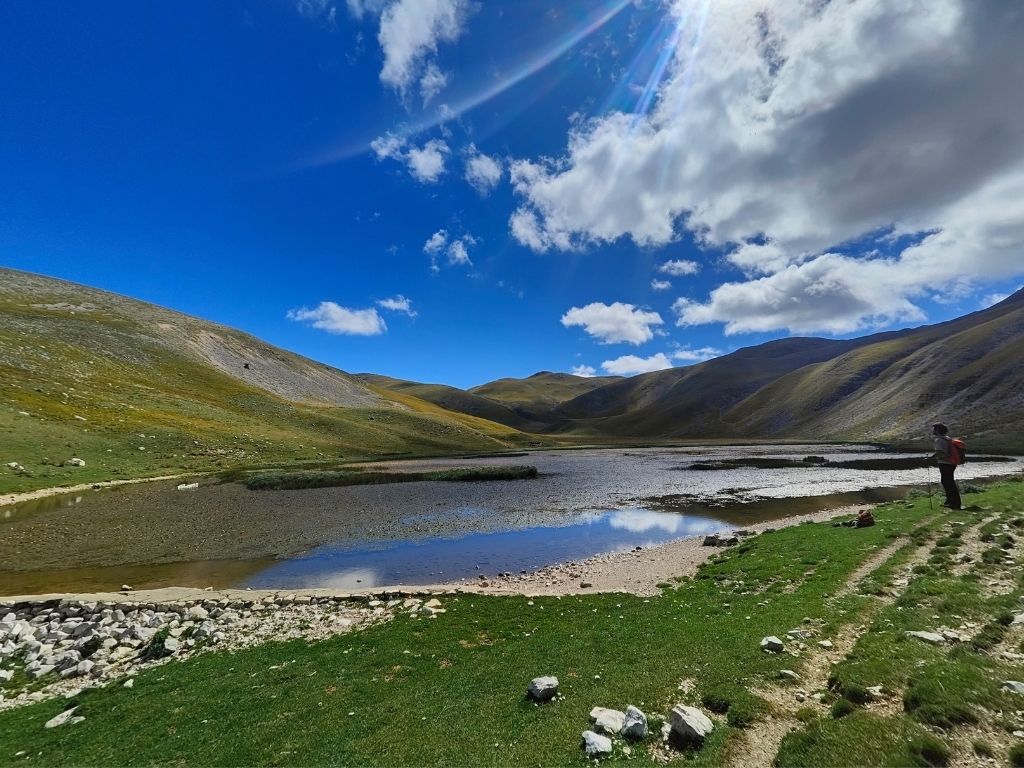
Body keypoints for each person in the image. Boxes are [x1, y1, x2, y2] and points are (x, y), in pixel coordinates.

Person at [931, 423, 962, 510]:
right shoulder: (947, 438)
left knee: (948, 482)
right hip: (952, 463)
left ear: (937, 430)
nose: (932, 431)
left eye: (934, 429)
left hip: (945, 463)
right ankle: (950, 501)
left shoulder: (938, 440)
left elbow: (941, 453)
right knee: (948, 482)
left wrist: (931, 458)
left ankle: (954, 503)